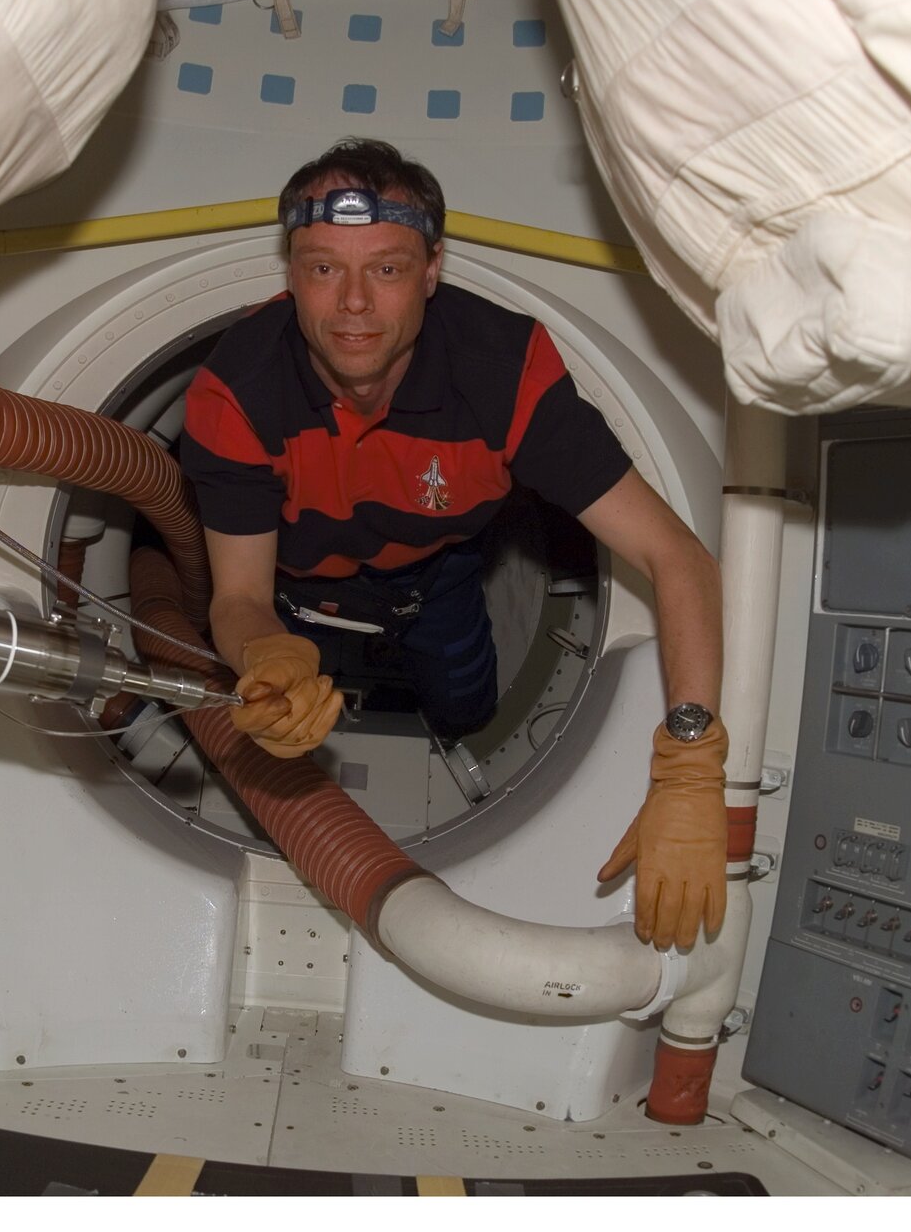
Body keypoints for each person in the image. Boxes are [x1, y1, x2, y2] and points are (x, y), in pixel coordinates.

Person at [179, 138, 728, 950]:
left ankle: (452, 704)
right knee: (283, 703)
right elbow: (237, 596)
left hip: (434, 577)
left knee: (469, 704)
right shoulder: (237, 391)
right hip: (295, 597)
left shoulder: (502, 372)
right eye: (325, 267)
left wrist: (690, 762)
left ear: (432, 270)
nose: (355, 303)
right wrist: (266, 655)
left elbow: (675, 556)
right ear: (290, 272)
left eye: (388, 269)